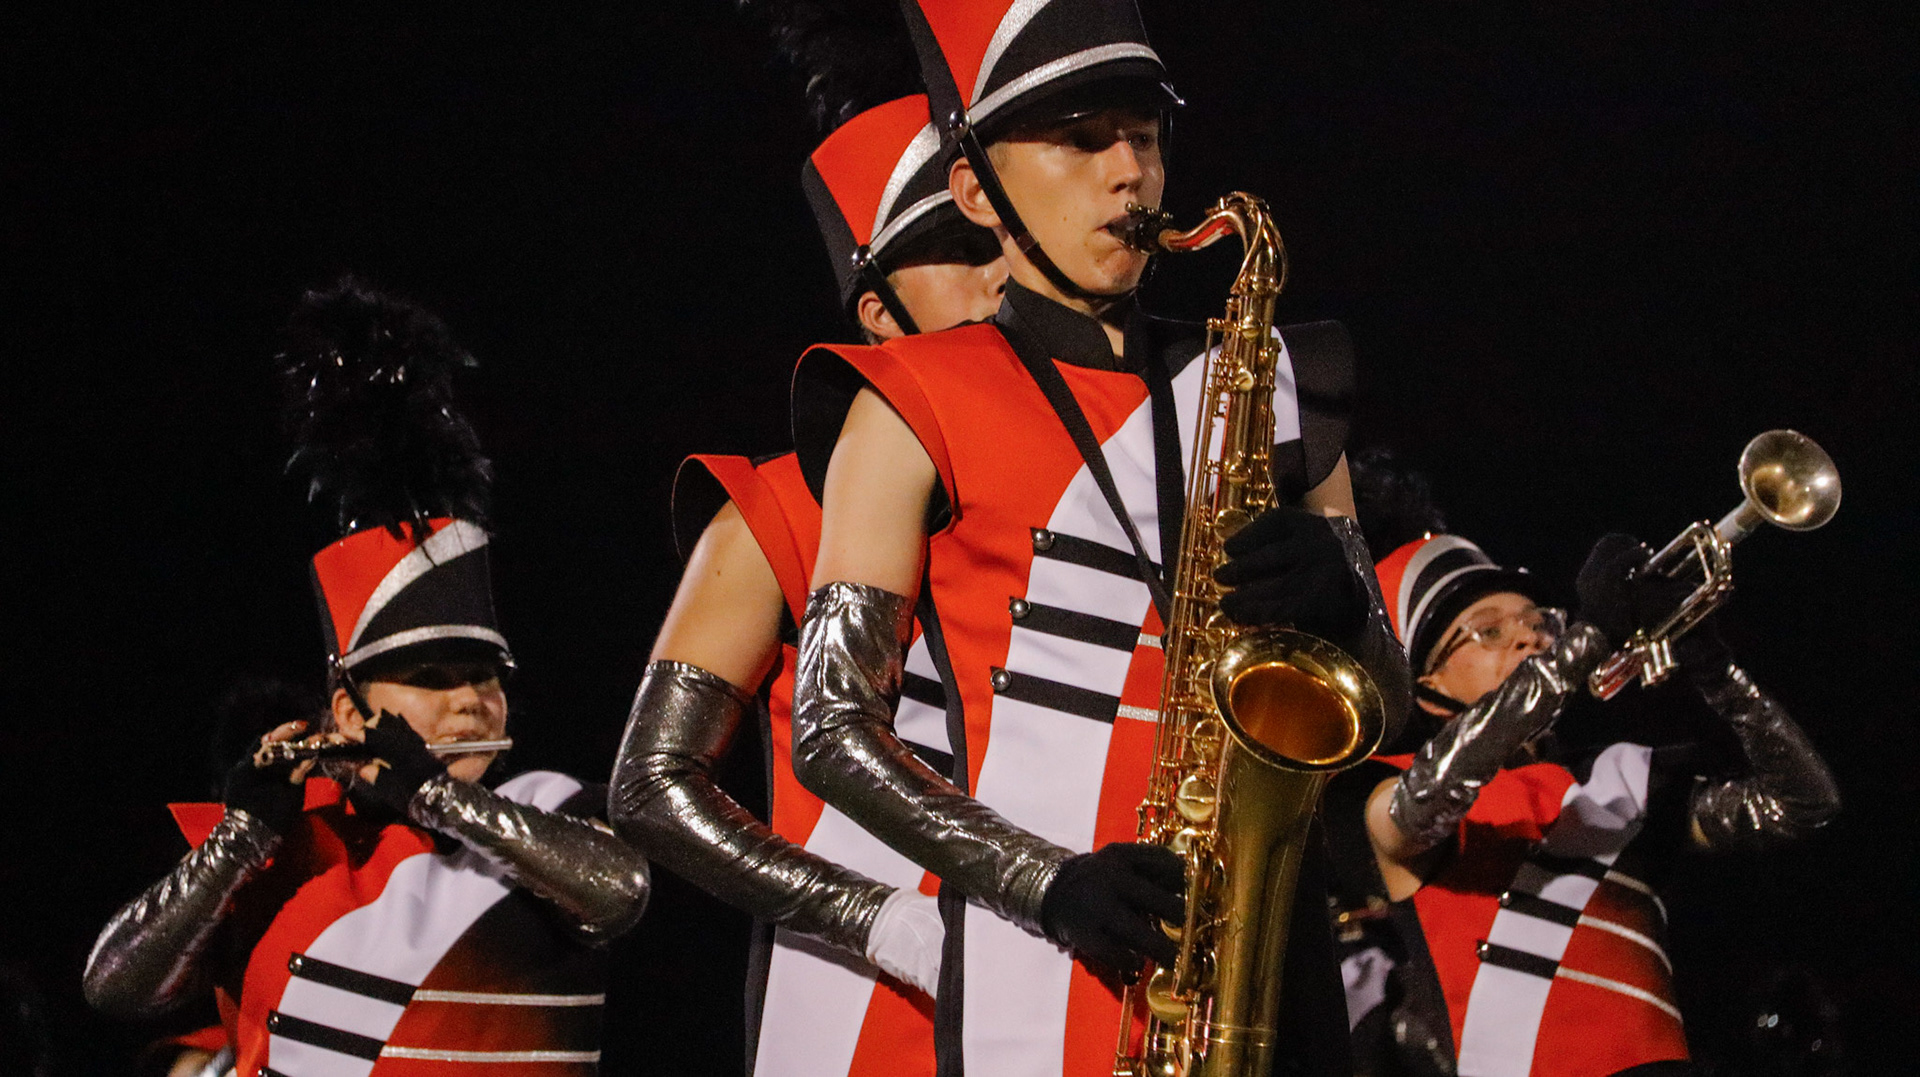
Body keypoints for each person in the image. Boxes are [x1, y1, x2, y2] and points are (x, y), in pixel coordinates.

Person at [781, 2, 1413, 1073]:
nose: (1131, 174)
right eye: (1080, 141)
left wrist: (1346, 604)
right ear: (975, 191)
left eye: (1146, 137)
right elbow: (832, 729)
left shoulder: (1274, 380)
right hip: (1050, 955)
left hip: (1270, 954)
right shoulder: (902, 403)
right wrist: (1047, 881)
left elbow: (1386, 703)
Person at [84, 280, 651, 1077]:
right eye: (432, 677)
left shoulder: (551, 807)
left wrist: (433, 795)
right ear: (349, 710)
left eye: (484, 676)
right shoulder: (287, 847)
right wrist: (242, 834)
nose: (470, 699)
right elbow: (115, 987)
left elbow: (622, 890)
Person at [609, 39, 1006, 1076]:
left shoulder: (1086, 476)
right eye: (959, 251)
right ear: (876, 311)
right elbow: (651, 785)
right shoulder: (777, 508)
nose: (1001, 274)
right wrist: (878, 919)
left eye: (1001, 240)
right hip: (866, 1009)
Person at [1335, 461, 1839, 1077]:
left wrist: (1714, 667)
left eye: (1540, 623)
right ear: (1426, 681)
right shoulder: (1385, 781)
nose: (1529, 639)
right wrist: (1588, 639)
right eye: (1488, 631)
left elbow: (1801, 804)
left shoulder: (1617, 778)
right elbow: (1419, 809)